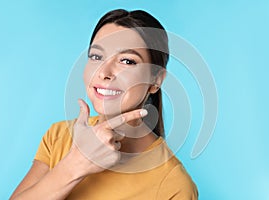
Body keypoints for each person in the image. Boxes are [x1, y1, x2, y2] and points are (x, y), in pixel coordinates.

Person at [10, 9, 198, 199]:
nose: (104, 72)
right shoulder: (59, 136)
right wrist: (76, 164)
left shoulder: (174, 185)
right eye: (96, 56)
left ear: (156, 80)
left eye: (127, 61)